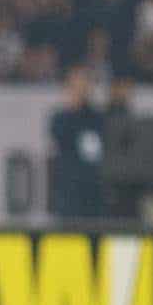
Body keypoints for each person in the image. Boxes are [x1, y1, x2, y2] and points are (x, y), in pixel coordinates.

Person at [48, 66, 106, 221]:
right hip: (69, 194)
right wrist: (72, 108)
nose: (80, 89)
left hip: (94, 193)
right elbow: (59, 137)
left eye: (83, 84)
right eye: (76, 85)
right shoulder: (59, 119)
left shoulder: (99, 119)